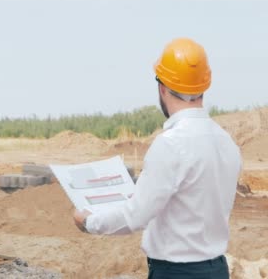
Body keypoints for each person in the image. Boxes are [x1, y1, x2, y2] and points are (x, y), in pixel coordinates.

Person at [73, 38, 241, 279]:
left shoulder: (171, 144)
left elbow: (135, 216)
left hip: (176, 272)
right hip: (216, 269)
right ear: (204, 86)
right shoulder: (226, 142)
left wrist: (89, 222)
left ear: (162, 87)